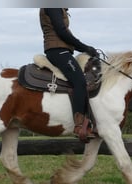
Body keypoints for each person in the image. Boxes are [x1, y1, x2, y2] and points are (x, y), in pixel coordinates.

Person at [39, 8, 98, 142]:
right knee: (80, 82)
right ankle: (78, 126)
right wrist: (85, 47)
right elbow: (62, 32)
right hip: (58, 51)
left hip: (61, 50)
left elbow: (65, 36)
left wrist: (86, 49)